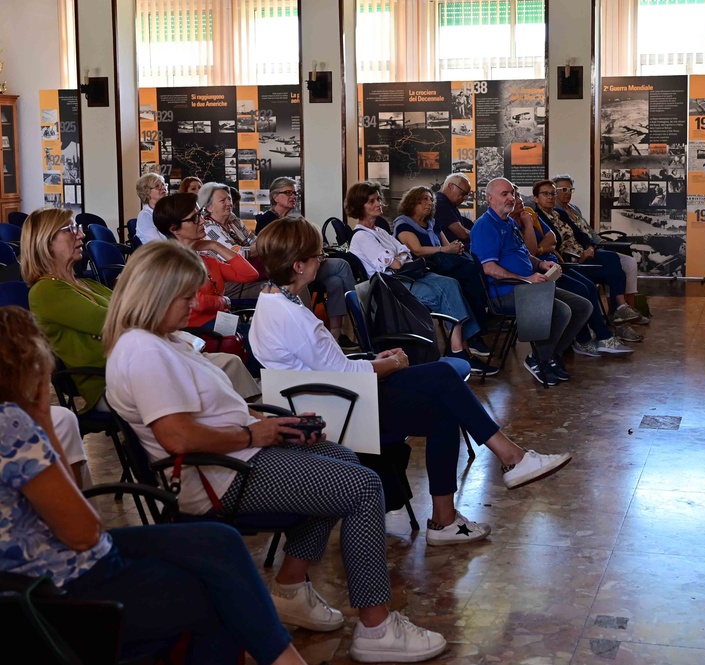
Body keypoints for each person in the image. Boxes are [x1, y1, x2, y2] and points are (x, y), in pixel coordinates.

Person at [102, 242, 447, 662]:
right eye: (185, 296)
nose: (194, 303)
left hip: (234, 460)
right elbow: (177, 437)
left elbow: (212, 408)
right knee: (362, 487)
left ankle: (291, 586)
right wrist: (257, 435)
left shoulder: (162, 340)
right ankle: (376, 628)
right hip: (218, 477)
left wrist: (278, 428)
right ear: (155, 294)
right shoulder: (142, 350)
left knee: (342, 457)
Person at [0, 305, 308, 665]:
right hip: (54, 583)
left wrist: (40, 421)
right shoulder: (12, 426)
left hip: (41, 568)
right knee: (217, 595)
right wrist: (39, 417)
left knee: (217, 541)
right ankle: (284, 659)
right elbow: (84, 532)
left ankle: (283, 658)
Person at [250, 218, 573, 544]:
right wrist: (389, 364)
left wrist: (374, 361)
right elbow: (342, 375)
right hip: (336, 411)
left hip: (329, 399)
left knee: (444, 411)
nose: (322, 261)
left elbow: (323, 365)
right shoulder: (294, 315)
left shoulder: (272, 301)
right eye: (317, 256)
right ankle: (511, 457)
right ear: (298, 265)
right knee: (443, 375)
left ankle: (446, 519)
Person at [21, 207, 261, 405]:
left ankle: (248, 426)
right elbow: (116, 322)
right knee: (220, 370)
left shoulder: (85, 283)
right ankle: (241, 434)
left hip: (142, 362)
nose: (81, 235)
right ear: (46, 241)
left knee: (229, 363)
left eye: (78, 228)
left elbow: (132, 309)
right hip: (113, 378)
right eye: (71, 229)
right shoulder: (46, 291)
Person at [346, 181, 495, 375]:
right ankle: (461, 349)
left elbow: (406, 253)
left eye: (378, 199)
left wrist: (397, 256)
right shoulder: (361, 236)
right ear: (360, 206)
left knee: (451, 283)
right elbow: (397, 263)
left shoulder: (380, 231)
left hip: (405, 277)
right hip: (391, 289)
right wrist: (397, 257)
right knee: (444, 290)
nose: (378, 203)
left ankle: (458, 346)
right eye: (371, 201)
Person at [470, 178, 592, 386]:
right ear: (490, 198)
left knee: (582, 306)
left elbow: (525, 254)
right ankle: (538, 358)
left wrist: (541, 264)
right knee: (561, 311)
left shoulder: (509, 222)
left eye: (513, 194)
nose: (511, 198)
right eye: (505, 194)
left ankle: (549, 355)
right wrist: (526, 279)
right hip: (506, 291)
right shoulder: (485, 226)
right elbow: (489, 268)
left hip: (530, 286)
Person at [511, 191, 632, 357]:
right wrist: (530, 228)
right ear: (536, 198)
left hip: (553, 263)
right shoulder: (517, 222)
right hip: (539, 272)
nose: (516, 199)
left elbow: (553, 239)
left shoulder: (531, 214)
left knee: (590, 285)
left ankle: (607, 330)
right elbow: (531, 251)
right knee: (580, 290)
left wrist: (542, 247)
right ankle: (585, 340)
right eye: (511, 196)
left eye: (517, 195)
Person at [533, 179, 643, 337]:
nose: (550, 197)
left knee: (612, 260)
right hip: (570, 261)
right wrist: (580, 257)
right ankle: (617, 312)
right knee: (614, 273)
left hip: (583, 253)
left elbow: (581, 234)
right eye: (545, 194)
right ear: (536, 198)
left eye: (552, 193)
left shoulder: (560, 214)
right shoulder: (537, 218)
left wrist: (589, 247)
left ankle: (619, 309)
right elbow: (553, 245)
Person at [393, 185, 490, 356]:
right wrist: (446, 250)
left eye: (431, 199)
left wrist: (455, 247)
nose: (429, 202)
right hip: (422, 270)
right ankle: (473, 335)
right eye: (424, 199)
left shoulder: (432, 223)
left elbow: (446, 246)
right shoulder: (403, 223)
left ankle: (471, 335)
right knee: (467, 277)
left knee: (472, 267)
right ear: (412, 202)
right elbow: (417, 250)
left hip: (441, 265)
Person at [152, 193, 259, 329]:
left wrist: (215, 245)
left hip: (221, 325)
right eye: (195, 218)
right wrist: (223, 301)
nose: (202, 220)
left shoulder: (205, 258)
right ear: (174, 229)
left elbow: (249, 274)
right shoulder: (171, 263)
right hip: (198, 332)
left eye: (200, 214)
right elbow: (198, 302)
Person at [433, 173, 475, 243]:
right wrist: (481, 236)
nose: (466, 198)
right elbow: (462, 234)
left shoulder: (450, 204)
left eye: (467, 194)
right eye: (463, 193)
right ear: (451, 186)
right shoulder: (441, 203)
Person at [134, 173, 168, 244]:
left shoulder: (168, 211)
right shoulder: (145, 216)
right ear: (147, 193)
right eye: (157, 186)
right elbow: (158, 244)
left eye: (163, 184)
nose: (163, 188)